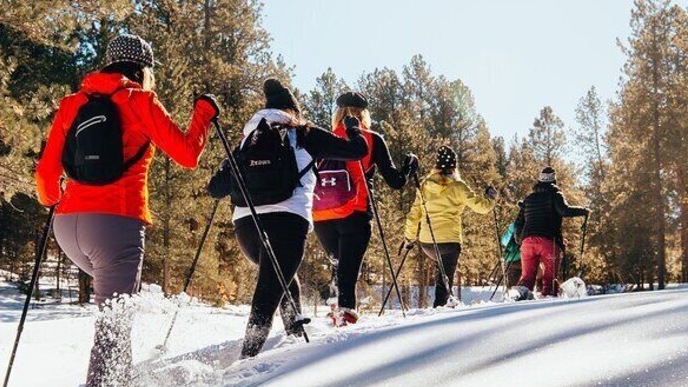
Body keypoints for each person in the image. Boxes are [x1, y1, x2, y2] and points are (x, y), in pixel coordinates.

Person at [35, 34, 219, 387]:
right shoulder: (139, 101)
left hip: (67, 226)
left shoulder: (72, 104)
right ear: (143, 69)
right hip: (116, 223)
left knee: (116, 309)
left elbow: (45, 177)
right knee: (114, 319)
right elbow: (187, 154)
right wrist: (202, 113)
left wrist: (60, 200)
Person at [207, 78, 368, 358]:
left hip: (247, 226)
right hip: (287, 221)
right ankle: (246, 360)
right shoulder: (303, 132)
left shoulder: (248, 139)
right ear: (293, 111)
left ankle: (293, 334)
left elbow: (215, 189)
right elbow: (358, 152)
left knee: (280, 276)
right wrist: (353, 129)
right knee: (268, 292)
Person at [312, 91, 418, 326]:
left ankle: (335, 306)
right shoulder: (371, 139)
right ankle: (345, 316)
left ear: (338, 114)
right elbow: (396, 182)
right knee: (348, 270)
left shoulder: (322, 138)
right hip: (355, 213)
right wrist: (409, 167)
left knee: (339, 263)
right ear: (364, 114)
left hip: (321, 216)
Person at [403, 146, 496, 307]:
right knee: (445, 276)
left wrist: (409, 238)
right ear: (454, 166)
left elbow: (414, 215)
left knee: (442, 271)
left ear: (437, 166)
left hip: (427, 242)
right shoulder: (458, 186)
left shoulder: (425, 185)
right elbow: (481, 207)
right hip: (449, 242)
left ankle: (445, 300)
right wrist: (490, 198)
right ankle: (440, 307)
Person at [513, 166, 589, 298]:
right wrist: (584, 211)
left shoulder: (529, 198)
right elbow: (564, 211)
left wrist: (521, 240)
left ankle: (520, 298)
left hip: (527, 243)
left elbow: (518, 223)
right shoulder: (556, 195)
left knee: (527, 277)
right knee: (550, 279)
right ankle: (548, 300)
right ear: (554, 180)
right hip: (548, 242)